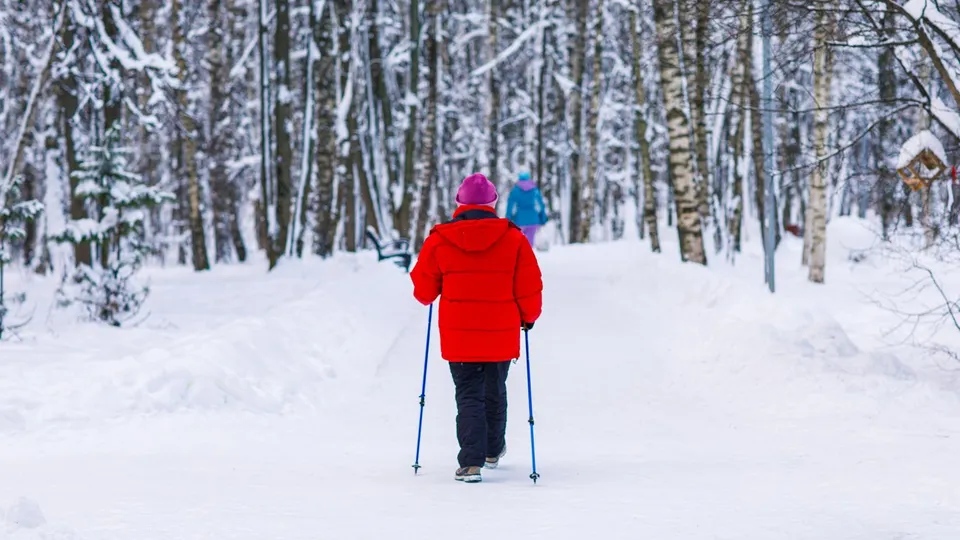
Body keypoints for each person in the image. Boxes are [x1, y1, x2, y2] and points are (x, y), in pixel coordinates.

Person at [410, 172, 543, 484]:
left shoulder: (439, 239)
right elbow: (529, 285)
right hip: (501, 332)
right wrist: (529, 317)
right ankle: (493, 451)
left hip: (459, 336)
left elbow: (423, 291)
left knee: (468, 392)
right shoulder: (514, 238)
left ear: (459, 203)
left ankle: (470, 462)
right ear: (493, 204)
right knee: (495, 389)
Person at [506, 171, 549, 247]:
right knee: (529, 245)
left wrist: (508, 219)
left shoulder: (515, 190)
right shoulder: (534, 189)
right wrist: (543, 218)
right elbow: (541, 205)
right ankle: (528, 258)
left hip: (520, 220)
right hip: (533, 219)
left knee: (519, 244)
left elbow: (510, 206)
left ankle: (520, 258)